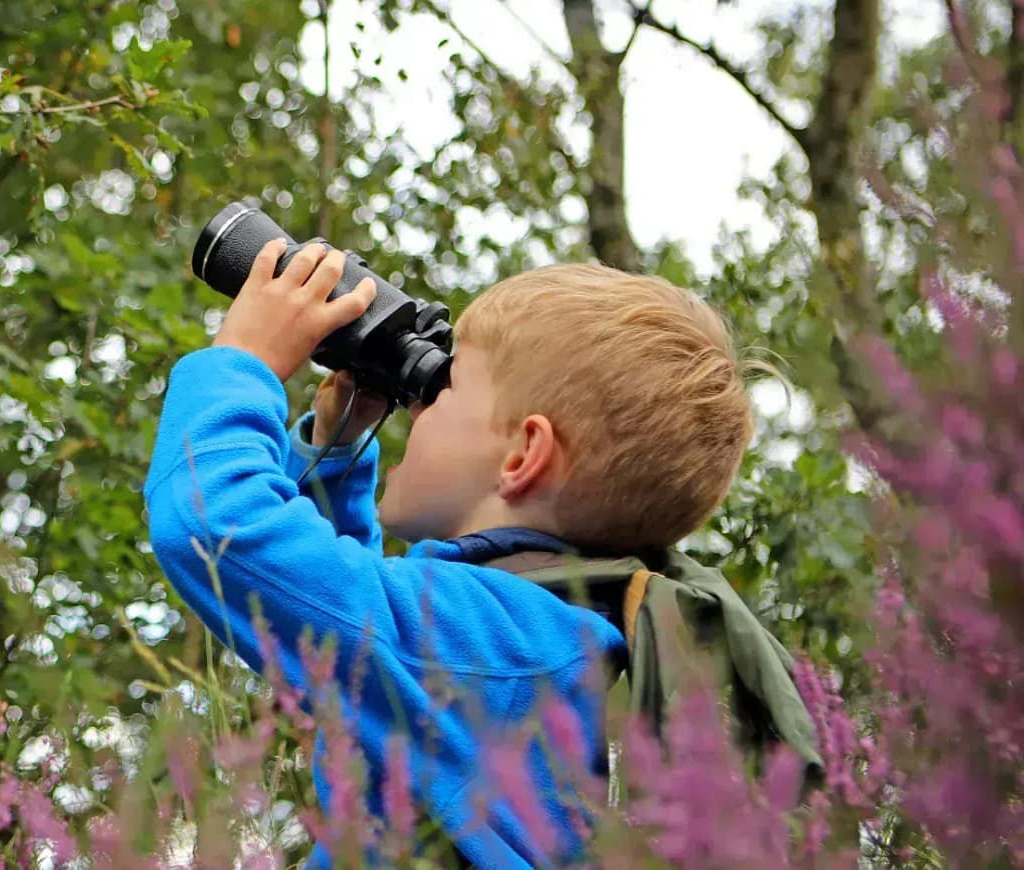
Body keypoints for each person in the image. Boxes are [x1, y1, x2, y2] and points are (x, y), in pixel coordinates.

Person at [144, 241, 813, 868]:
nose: (417, 405)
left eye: (446, 386)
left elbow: (216, 526)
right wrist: (336, 449)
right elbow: (357, 637)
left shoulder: (498, 641)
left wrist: (245, 359)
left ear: (523, 455)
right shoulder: (541, 638)